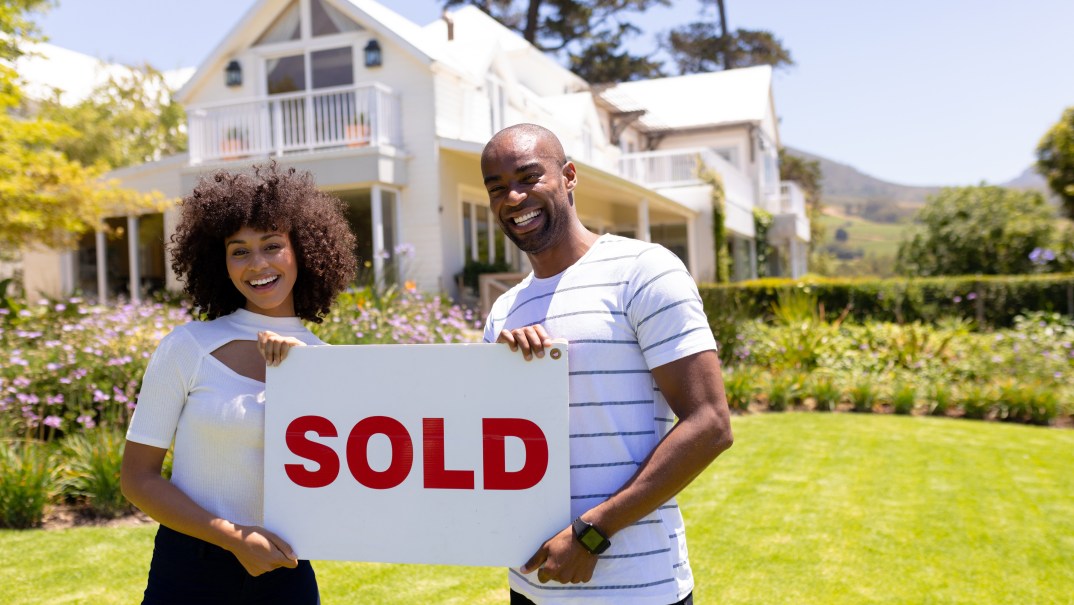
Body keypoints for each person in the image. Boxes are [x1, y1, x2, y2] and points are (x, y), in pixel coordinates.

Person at [480, 123, 734, 605]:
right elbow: (494, 449)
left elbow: (710, 423)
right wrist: (501, 376)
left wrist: (590, 534)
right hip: (531, 588)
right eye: (497, 188)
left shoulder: (642, 270)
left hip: (639, 590)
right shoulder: (504, 312)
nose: (513, 197)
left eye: (529, 177)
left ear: (569, 176)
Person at [120, 162, 357, 605]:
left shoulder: (326, 363)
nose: (258, 264)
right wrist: (233, 538)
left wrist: (307, 379)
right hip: (188, 572)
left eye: (272, 245)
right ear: (220, 260)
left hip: (286, 570)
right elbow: (137, 478)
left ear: (302, 250)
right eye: (239, 250)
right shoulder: (188, 346)